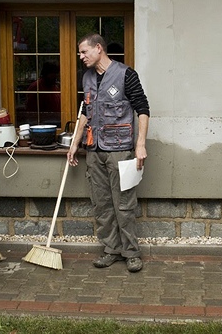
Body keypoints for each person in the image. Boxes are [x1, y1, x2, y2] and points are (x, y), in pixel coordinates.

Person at [67, 34, 150, 273]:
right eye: (79, 53)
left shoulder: (126, 74)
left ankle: (131, 253)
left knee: (123, 204)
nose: (81, 57)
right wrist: (75, 142)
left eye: (84, 52)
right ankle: (111, 250)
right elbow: (85, 111)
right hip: (94, 151)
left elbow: (142, 109)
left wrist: (140, 144)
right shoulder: (87, 77)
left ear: (98, 48)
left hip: (121, 150)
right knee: (102, 204)